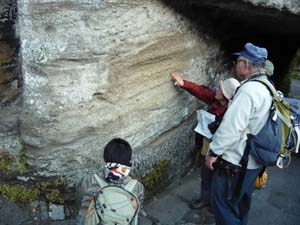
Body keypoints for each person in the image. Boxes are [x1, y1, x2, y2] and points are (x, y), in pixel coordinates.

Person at [205, 42, 272, 225]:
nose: (235, 65)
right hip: (253, 163)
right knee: (241, 204)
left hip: (235, 164)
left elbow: (231, 127)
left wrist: (213, 153)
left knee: (223, 207)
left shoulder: (248, 91)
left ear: (246, 65)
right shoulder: (268, 87)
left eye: (237, 61)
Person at [171, 73, 240, 211]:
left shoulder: (233, 112)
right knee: (206, 174)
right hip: (209, 145)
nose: (217, 90)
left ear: (226, 96)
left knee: (220, 178)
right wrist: (183, 83)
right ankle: (204, 199)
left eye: (221, 89)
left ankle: (217, 204)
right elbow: (201, 91)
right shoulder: (216, 100)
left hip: (224, 150)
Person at [77, 138, 144, 225]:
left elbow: (79, 200)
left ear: (105, 158)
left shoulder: (89, 180)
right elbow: (137, 211)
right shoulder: (138, 187)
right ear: (128, 162)